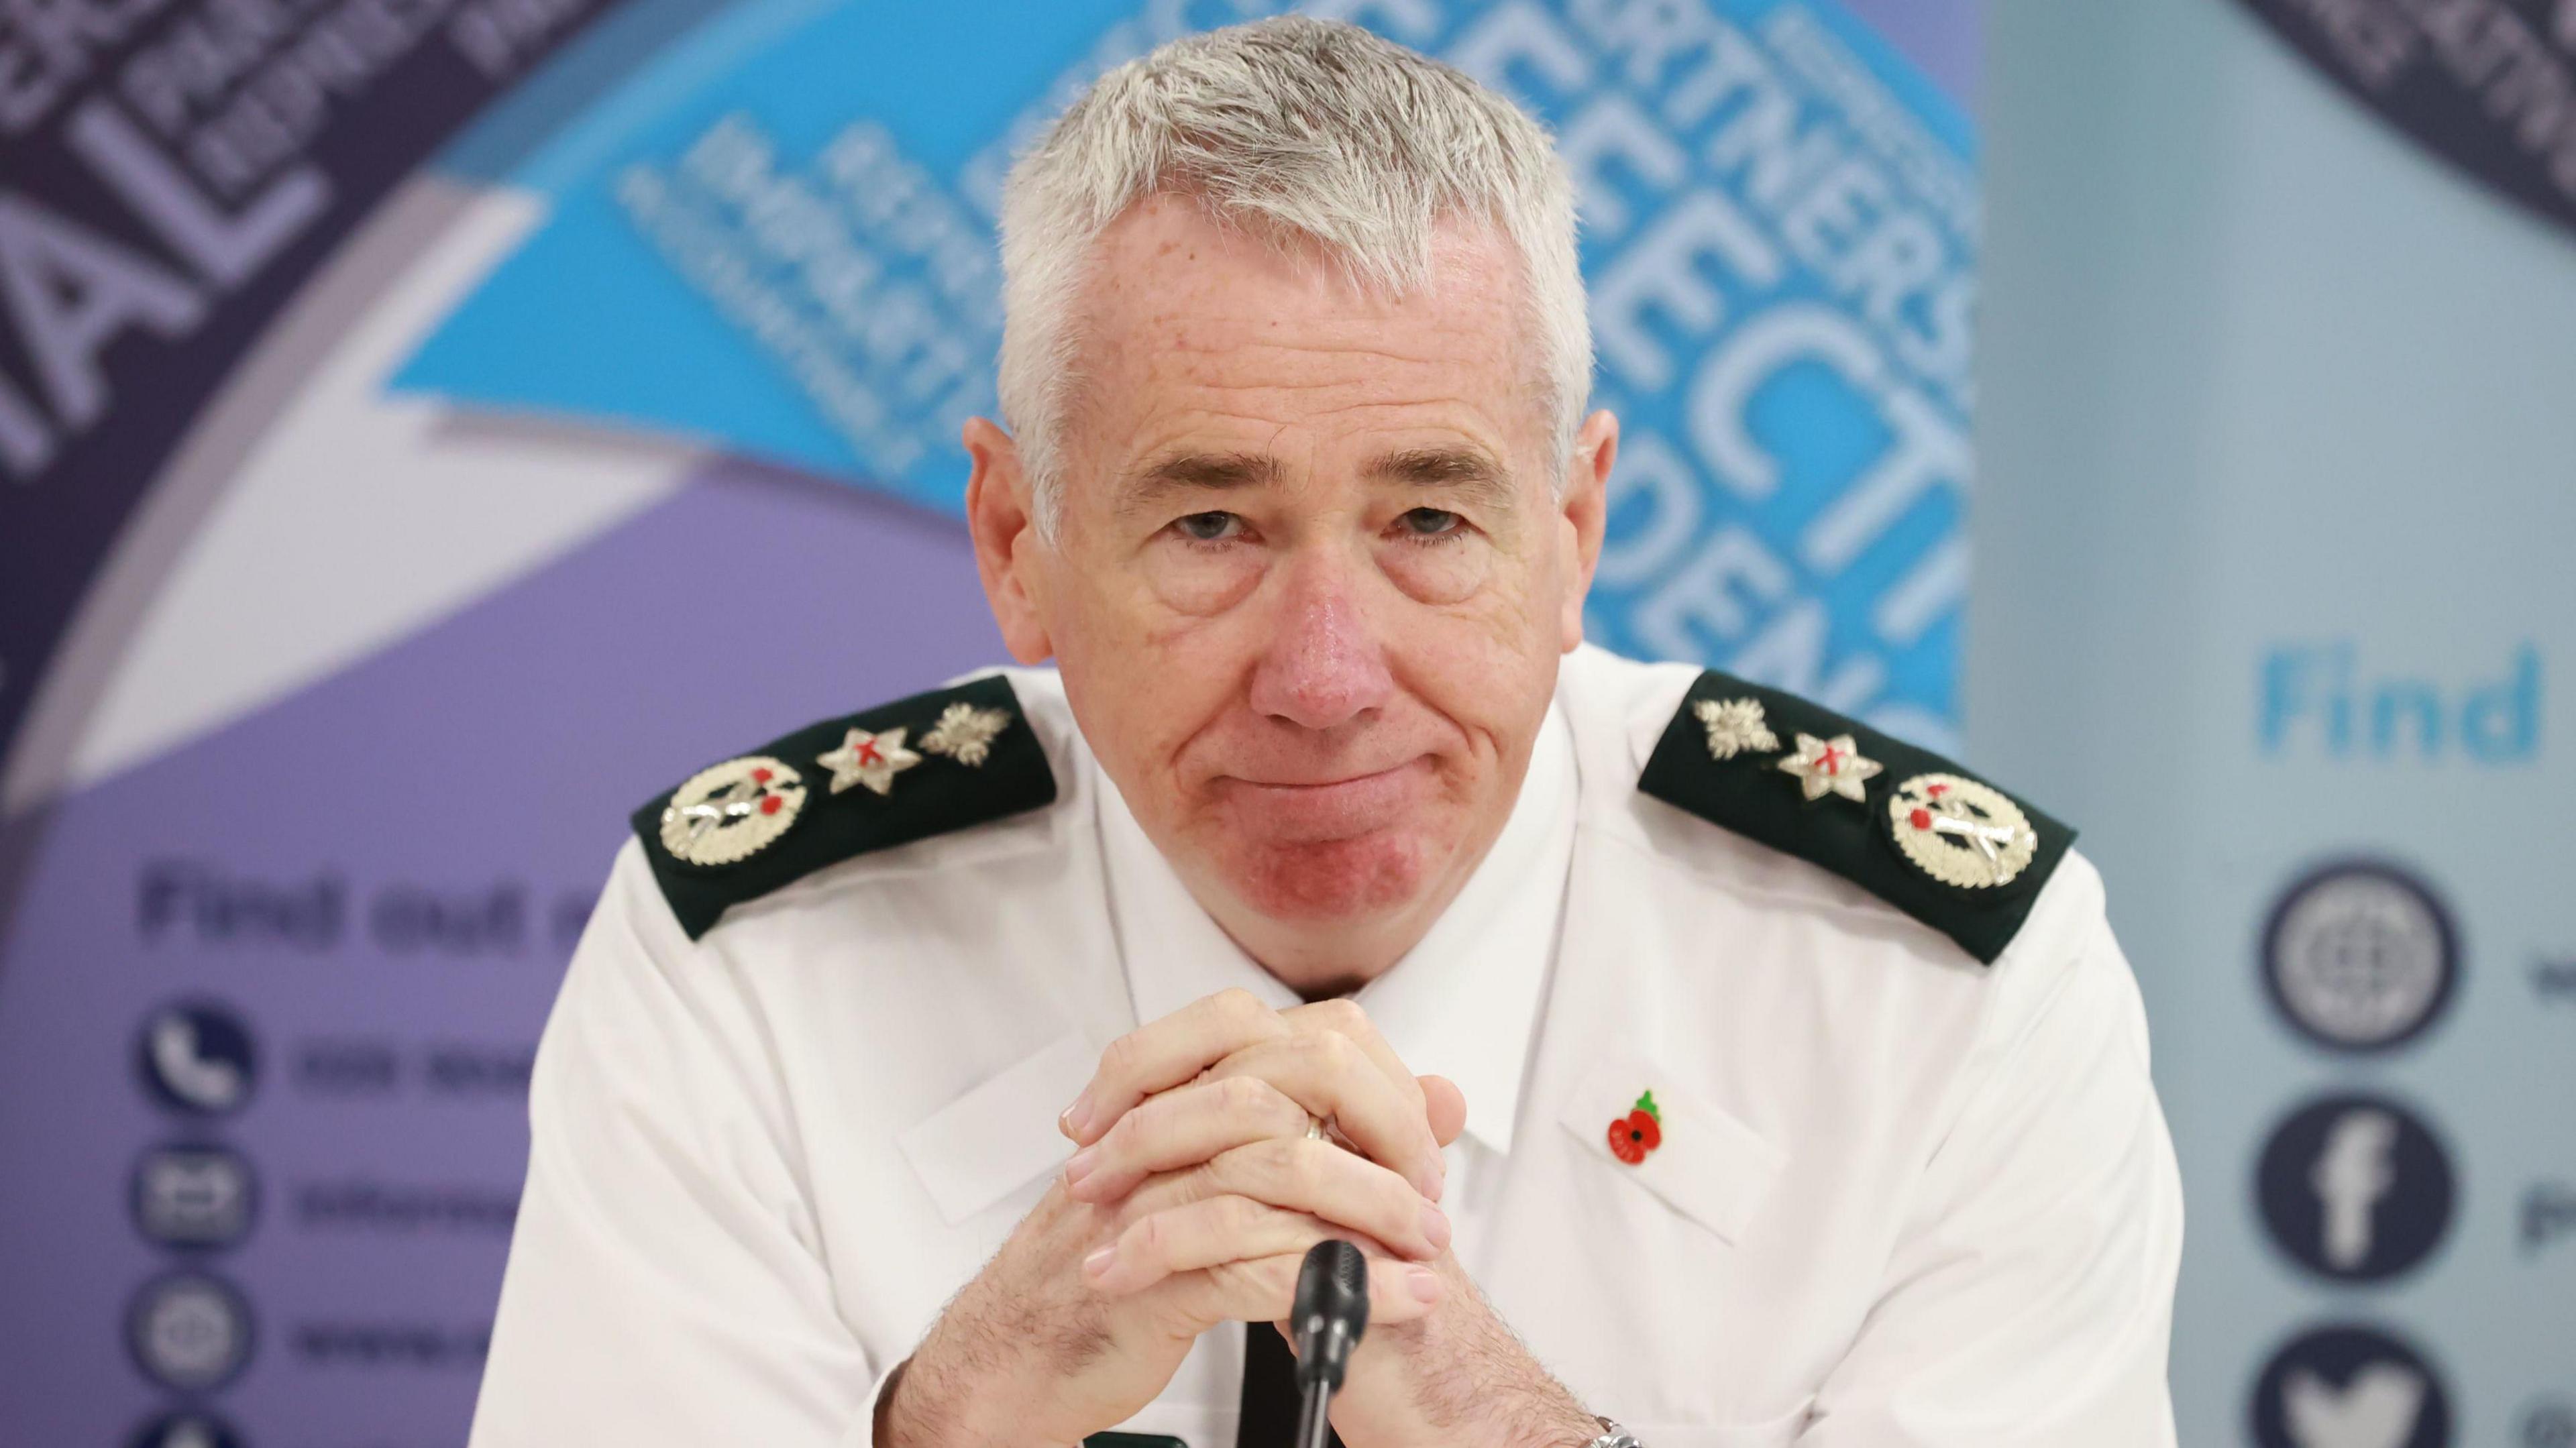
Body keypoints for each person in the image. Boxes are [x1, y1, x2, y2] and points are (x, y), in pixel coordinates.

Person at [468, 17, 2182, 1448]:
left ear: (1574, 531)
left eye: (1432, 521)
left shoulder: (1942, 992)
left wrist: (1499, 1421)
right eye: (1210, 528)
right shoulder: (755, 958)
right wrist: (956, 1418)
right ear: (1017, 546)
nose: (1328, 675)